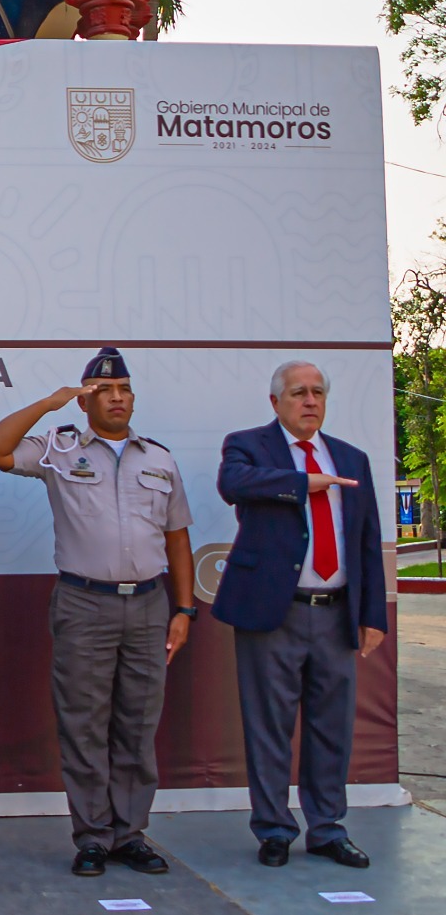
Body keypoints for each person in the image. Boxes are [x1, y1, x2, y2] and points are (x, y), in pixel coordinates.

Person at [0, 347, 196, 877]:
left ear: (133, 398)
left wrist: (184, 608)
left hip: (148, 603)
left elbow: (178, 538)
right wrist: (50, 405)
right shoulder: (59, 447)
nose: (115, 398)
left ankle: (131, 835)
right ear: (86, 397)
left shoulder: (159, 459)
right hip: (84, 603)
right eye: (103, 390)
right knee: (84, 724)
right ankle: (93, 836)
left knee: (137, 725)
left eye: (123, 389)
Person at [213, 360, 386, 870]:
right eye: (298, 393)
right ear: (275, 403)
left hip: (335, 614)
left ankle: (328, 829)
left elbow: (368, 540)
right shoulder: (248, 446)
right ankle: (273, 830)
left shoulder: (351, 457)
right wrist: (302, 481)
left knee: (332, 728)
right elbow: (234, 484)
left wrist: (372, 614)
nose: (309, 401)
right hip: (274, 613)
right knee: (268, 726)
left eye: (317, 393)